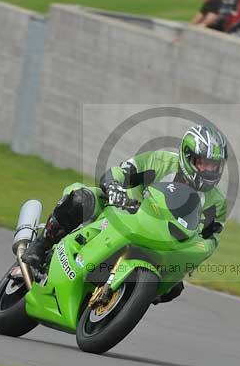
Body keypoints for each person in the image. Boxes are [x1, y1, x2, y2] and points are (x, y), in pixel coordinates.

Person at [22, 125, 229, 304]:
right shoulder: (160, 161)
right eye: (204, 163)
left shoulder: (216, 203)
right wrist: (114, 188)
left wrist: (196, 251)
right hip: (122, 212)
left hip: (163, 240)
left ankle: (126, 298)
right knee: (80, 199)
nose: (209, 170)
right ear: (188, 156)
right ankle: (41, 245)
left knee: (174, 288)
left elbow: (210, 238)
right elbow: (119, 172)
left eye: (214, 165)